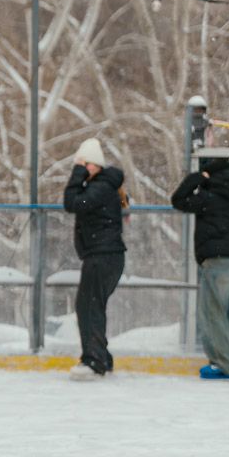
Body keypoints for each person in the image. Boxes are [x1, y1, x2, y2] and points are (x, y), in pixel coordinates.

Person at [171, 158, 229, 379]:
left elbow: (178, 200)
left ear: (210, 176)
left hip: (217, 259)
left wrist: (197, 178)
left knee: (213, 312)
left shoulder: (208, 198)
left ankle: (224, 365)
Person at [63, 138, 127, 380]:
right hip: (105, 256)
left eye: (82, 165)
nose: (78, 170)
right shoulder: (103, 186)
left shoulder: (100, 187)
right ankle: (100, 355)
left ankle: (95, 359)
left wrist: (77, 174)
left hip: (103, 256)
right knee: (91, 305)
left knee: (89, 306)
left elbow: (72, 203)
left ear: (92, 165)